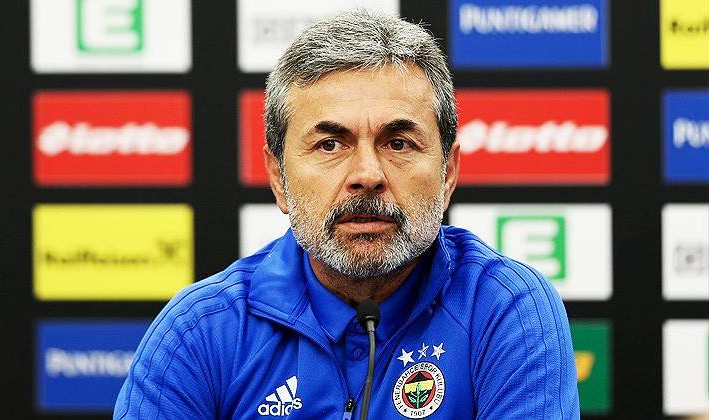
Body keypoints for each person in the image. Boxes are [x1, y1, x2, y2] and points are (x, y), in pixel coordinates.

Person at [114, 10, 580, 419]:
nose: (367, 175)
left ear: (448, 172)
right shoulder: (200, 329)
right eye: (330, 145)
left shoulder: (505, 309)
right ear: (278, 176)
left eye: (398, 143)